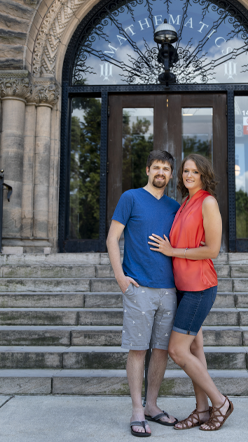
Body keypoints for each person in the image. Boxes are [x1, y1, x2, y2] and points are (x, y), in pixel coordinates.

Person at [148, 153, 234, 432]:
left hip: (199, 287)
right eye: (185, 171)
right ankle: (201, 410)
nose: (188, 175)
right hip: (182, 288)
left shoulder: (208, 202)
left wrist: (174, 251)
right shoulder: (185, 203)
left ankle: (220, 402)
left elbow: (212, 249)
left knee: (177, 349)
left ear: (203, 175)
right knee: (195, 348)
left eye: (194, 172)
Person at [106, 150, 180, 437]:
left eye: (166, 169)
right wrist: (121, 279)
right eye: (156, 167)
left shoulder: (174, 206)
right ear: (148, 170)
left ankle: (152, 405)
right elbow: (113, 238)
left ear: (171, 175)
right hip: (139, 288)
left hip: (168, 289)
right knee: (138, 349)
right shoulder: (131, 198)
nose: (161, 172)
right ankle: (137, 410)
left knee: (161, 351)